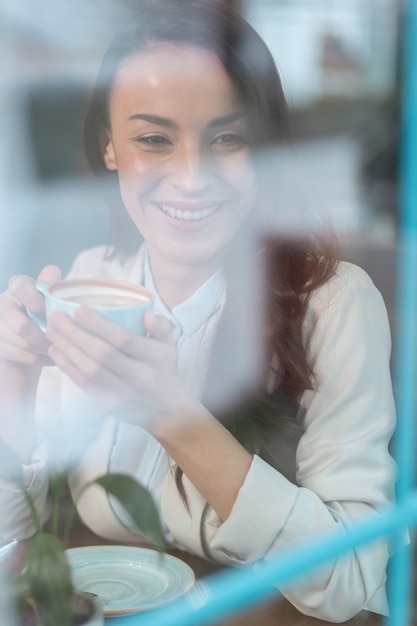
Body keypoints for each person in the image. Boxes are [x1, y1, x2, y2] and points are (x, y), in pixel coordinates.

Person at [0, 0, 396, 621]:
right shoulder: (90, 281)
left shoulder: (336, 306)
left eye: (227, 138)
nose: (190, 177)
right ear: (109, 150)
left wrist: (172, 416)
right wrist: (14, 378)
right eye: (154, 139)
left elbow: (353, 580)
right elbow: (14, 534)